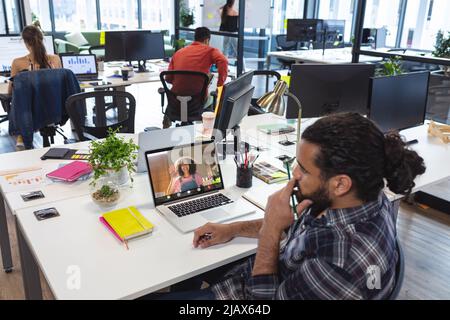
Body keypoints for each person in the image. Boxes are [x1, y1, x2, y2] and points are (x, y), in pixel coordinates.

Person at [153, 112, 426, 300]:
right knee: (181, 263)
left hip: (251, 295)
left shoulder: (342, 262)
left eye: (304, 169)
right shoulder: (359, 196)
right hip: (257, 275)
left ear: (340, 183)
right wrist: (232, 229)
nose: (294, 173)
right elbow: (292, 227)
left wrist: (271, 228)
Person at [8, 24, 62, 149]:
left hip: (29, 112)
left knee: (19, 96)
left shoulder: (18, 62)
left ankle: (22, 135)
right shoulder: (55, 59)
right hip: (54, 108)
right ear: (42, 39)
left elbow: (11, 90)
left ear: (26, 42)